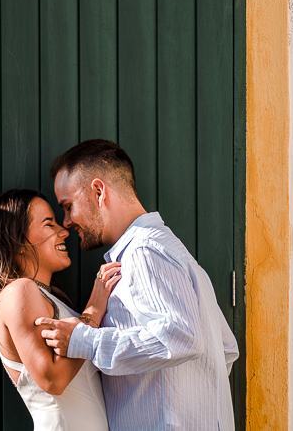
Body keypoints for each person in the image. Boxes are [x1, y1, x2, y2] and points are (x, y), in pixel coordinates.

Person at [36, 139, 239, 431]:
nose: (66, 222)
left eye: (68, 206)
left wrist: (82, 341)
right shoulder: (170, 250)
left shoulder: (144, 252)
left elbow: (179, 338)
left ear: (98, 191)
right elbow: (225, 349)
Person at [0, 188, 122, 431]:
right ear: (18, 240)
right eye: (49, 224)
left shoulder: (47, 298)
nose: (63, 231)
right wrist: (94, 310)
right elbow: (53, 380)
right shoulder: (20, 291)